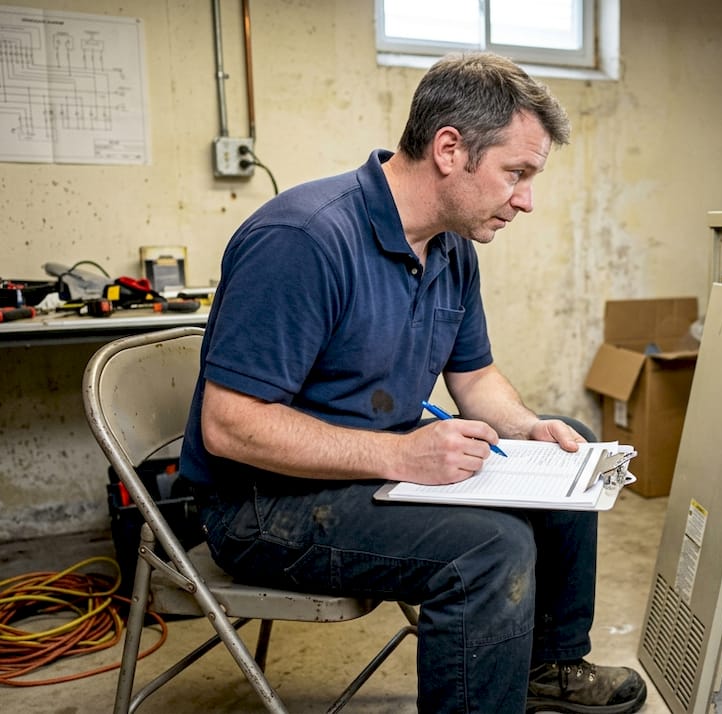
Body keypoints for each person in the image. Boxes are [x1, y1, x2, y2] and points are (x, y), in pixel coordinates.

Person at [179, 52, 648, 714]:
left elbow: (477, 377)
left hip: (367, 467)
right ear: (450, 149)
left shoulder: (452, 246)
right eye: (516, 173)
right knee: (492, 550)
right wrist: (401, 455)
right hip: (262, 502)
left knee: (568, 443)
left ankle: (551, 666)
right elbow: (230, 426)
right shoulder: (305, 238)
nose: (527, 200)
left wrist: (528, 430)